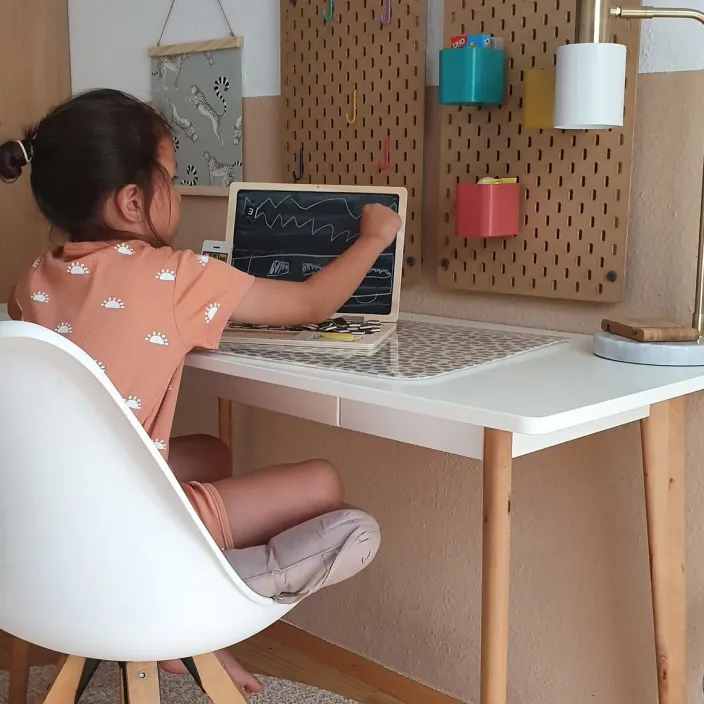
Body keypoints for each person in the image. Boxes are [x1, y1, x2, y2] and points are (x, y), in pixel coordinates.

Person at [0, 88, 401, 695]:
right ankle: (186, 606)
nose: (180, 193)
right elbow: (310, 303)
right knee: (324, 484)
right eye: (171, 176)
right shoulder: (176, 276)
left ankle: (180, 621)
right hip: (125, 538)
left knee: (213, 452)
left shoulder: (33, 278)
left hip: (43, 525)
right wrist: (374, 236)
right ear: (133, 200)